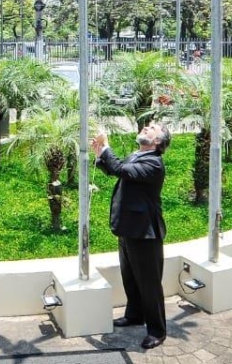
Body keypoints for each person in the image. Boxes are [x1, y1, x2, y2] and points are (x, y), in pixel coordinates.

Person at [91, 122, 171, 350]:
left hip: (145, 233)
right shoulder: (136, 155)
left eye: (152, 128)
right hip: (128, 228)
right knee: (130, 277)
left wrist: (107, 148)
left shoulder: (154, 163)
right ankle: (135, 315)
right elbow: (115, 170)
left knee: (149, 284)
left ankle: (157, 331)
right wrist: (100, 154)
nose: (147, 127)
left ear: (157, 142)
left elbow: (122, 170)